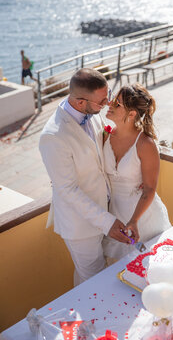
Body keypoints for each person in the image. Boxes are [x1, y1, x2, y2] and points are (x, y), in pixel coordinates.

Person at [39, 68, 130, 286]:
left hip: (107, 209)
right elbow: (67, 190)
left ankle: (87, 319)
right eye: (102, 101)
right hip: (79, 225)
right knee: (94, 280)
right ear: (80, 103)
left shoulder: (93, 115)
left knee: (93, 276)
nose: (107, 103)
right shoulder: (53, 137)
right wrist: (107, 222)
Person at [102, 83, 171, 260]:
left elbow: (149, 189)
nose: (110, 104)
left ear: (132, 114)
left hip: (143, 218)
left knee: (146, 268)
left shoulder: (145, 144)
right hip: (114, 214)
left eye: (117, 104)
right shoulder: (105, 135)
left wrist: (134, 221)